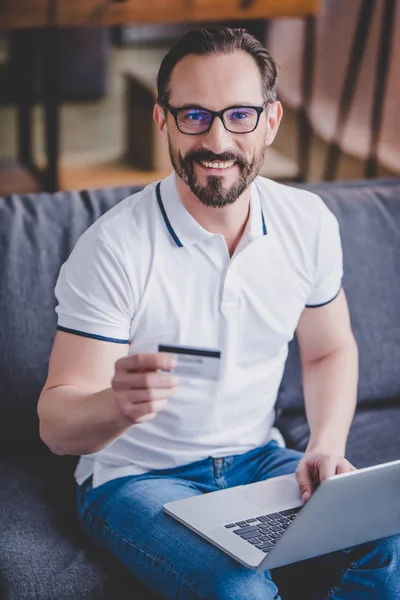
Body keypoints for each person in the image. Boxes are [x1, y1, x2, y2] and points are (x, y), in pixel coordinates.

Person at [38, 26, 400, 600]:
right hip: (135, 479)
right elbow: (55, 425)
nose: (218, 140)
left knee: (385, 529)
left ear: (272, 121)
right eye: (195, 117)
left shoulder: (308, 224)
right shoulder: (112, 248)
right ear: (163, 121)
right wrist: (115, 405)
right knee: (240, 591)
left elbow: (330, 349)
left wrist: (325, 446)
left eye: (239, 115)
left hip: (258, 462)